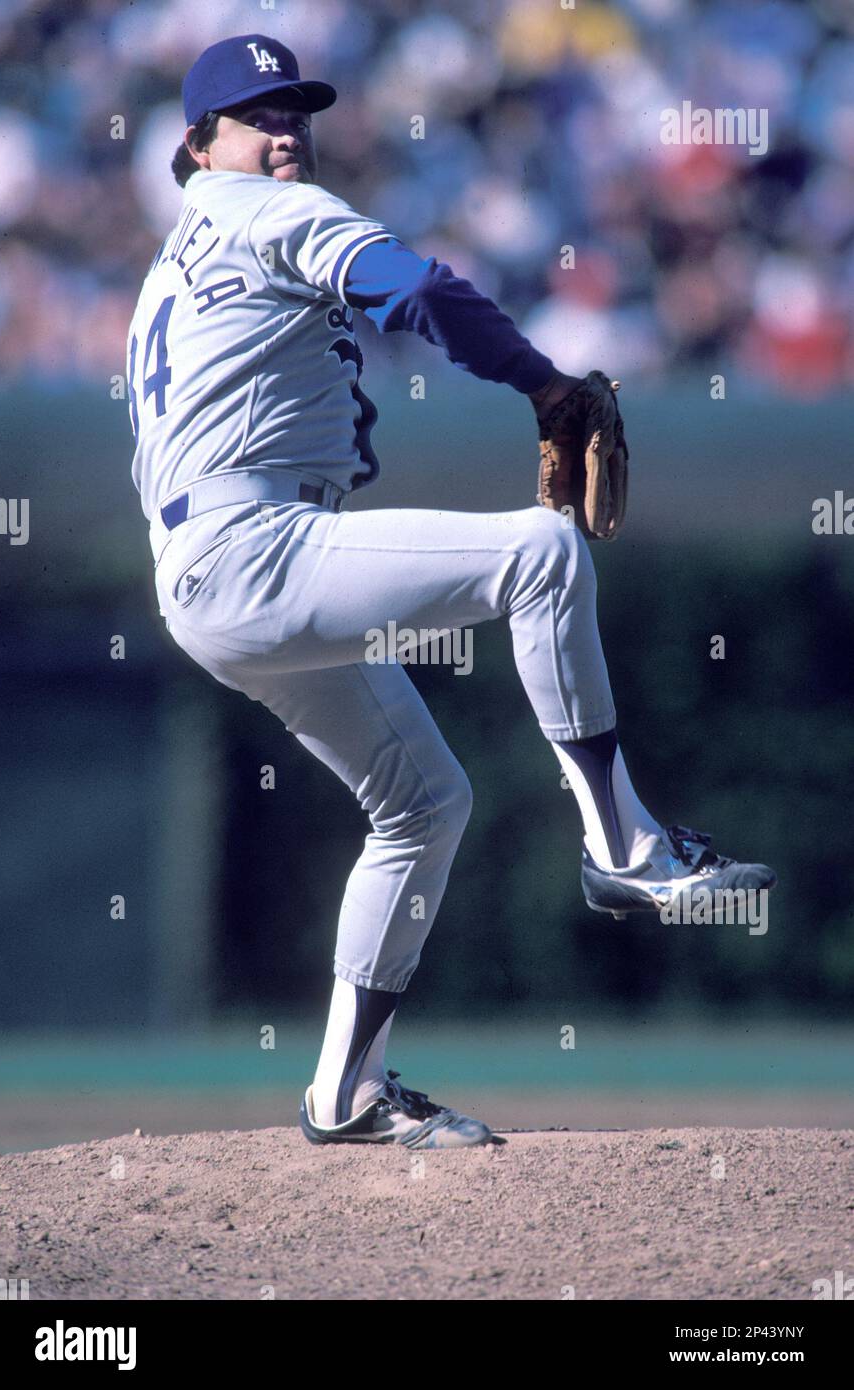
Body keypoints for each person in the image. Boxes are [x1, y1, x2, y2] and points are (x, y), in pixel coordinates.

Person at [127, 35, 775, 1151]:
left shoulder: (175, 261)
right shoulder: (259, 211)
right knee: (539, 552)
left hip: (218, 573)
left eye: (295, 110)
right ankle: (624, 851)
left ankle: (342, 1090)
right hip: (253, 545)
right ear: (198, 145)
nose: (284, 131)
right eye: (253, 115)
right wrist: (545, 384)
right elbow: (418, 287)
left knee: (423, 803)